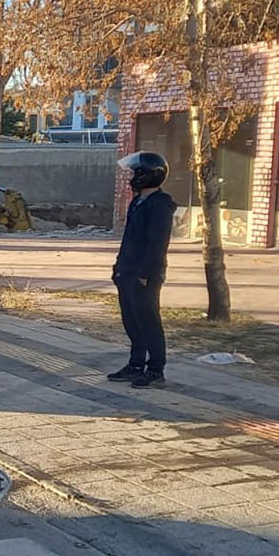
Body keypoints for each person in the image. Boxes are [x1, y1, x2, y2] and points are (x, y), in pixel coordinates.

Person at [107, 151, 175, 389]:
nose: (131, 177)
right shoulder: (137, 202)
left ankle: (155, 369)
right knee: (132, 320)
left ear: (146, 175)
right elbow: (128, 239)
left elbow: (157, 244)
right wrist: (118, 267)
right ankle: (135, 364)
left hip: (146, 274)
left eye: (135, 173)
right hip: (127, 271)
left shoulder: (160, 205)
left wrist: (147, 273)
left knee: (148, 321)